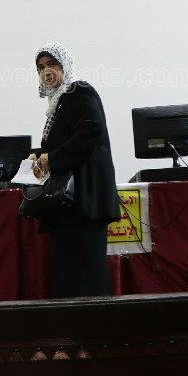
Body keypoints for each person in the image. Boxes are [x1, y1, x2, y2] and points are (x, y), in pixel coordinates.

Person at [29, 43, 120, 299]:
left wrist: (52, 158)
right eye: (40, 67)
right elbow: (64, 141)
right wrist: (38, 154)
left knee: (86, 279)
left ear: (65, 66)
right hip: (70, 206)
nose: (46, 71)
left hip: (84, 201)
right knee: (69, 279)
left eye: (52, 64)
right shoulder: (59, 102)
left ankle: (92, 326)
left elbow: (90, 132)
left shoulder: (79, 91)